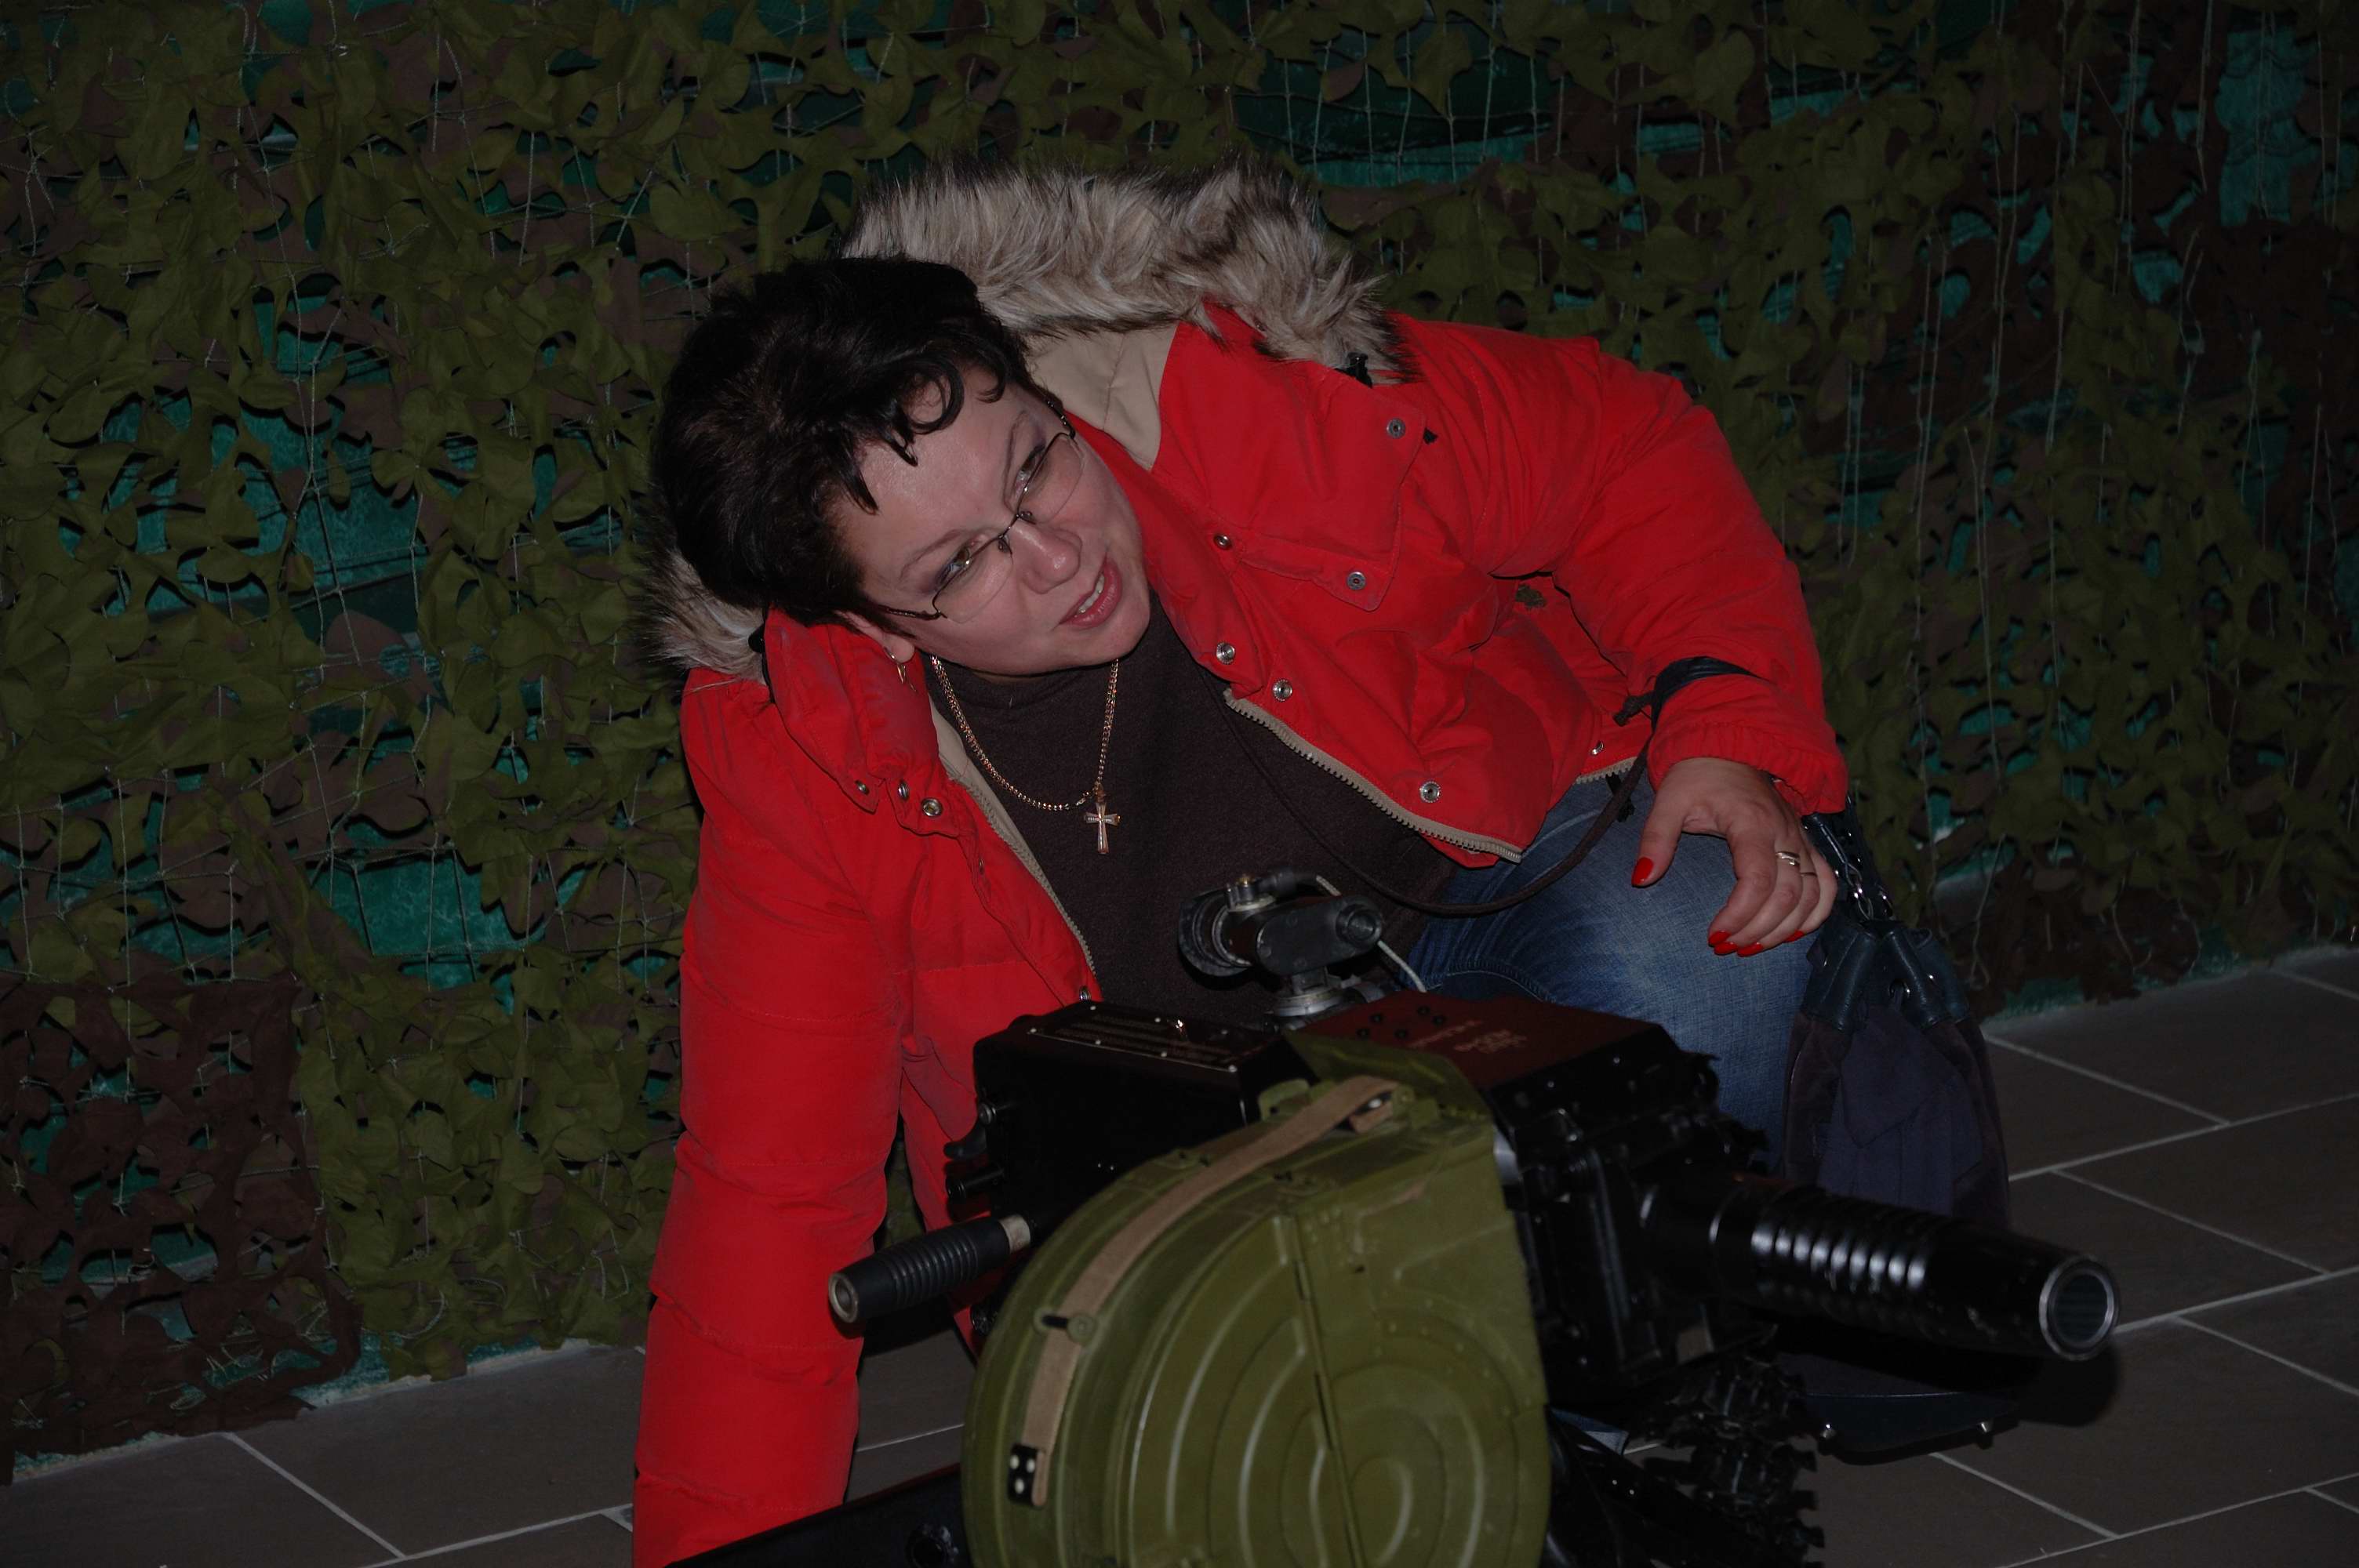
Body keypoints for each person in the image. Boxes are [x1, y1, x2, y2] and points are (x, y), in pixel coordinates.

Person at [631, 162, 1848, 1565]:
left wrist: (1723, 721)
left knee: (1691, 927)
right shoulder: (808, 750)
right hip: (1185, 1147)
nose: (1058, 557)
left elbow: (1625, 446)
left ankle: (1612, 1421)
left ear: (1033, 378)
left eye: (1036, 463)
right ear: (866, 623)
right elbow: (770, 1200)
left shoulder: (1254, 392)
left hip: (1483, 931)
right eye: (960, 568)